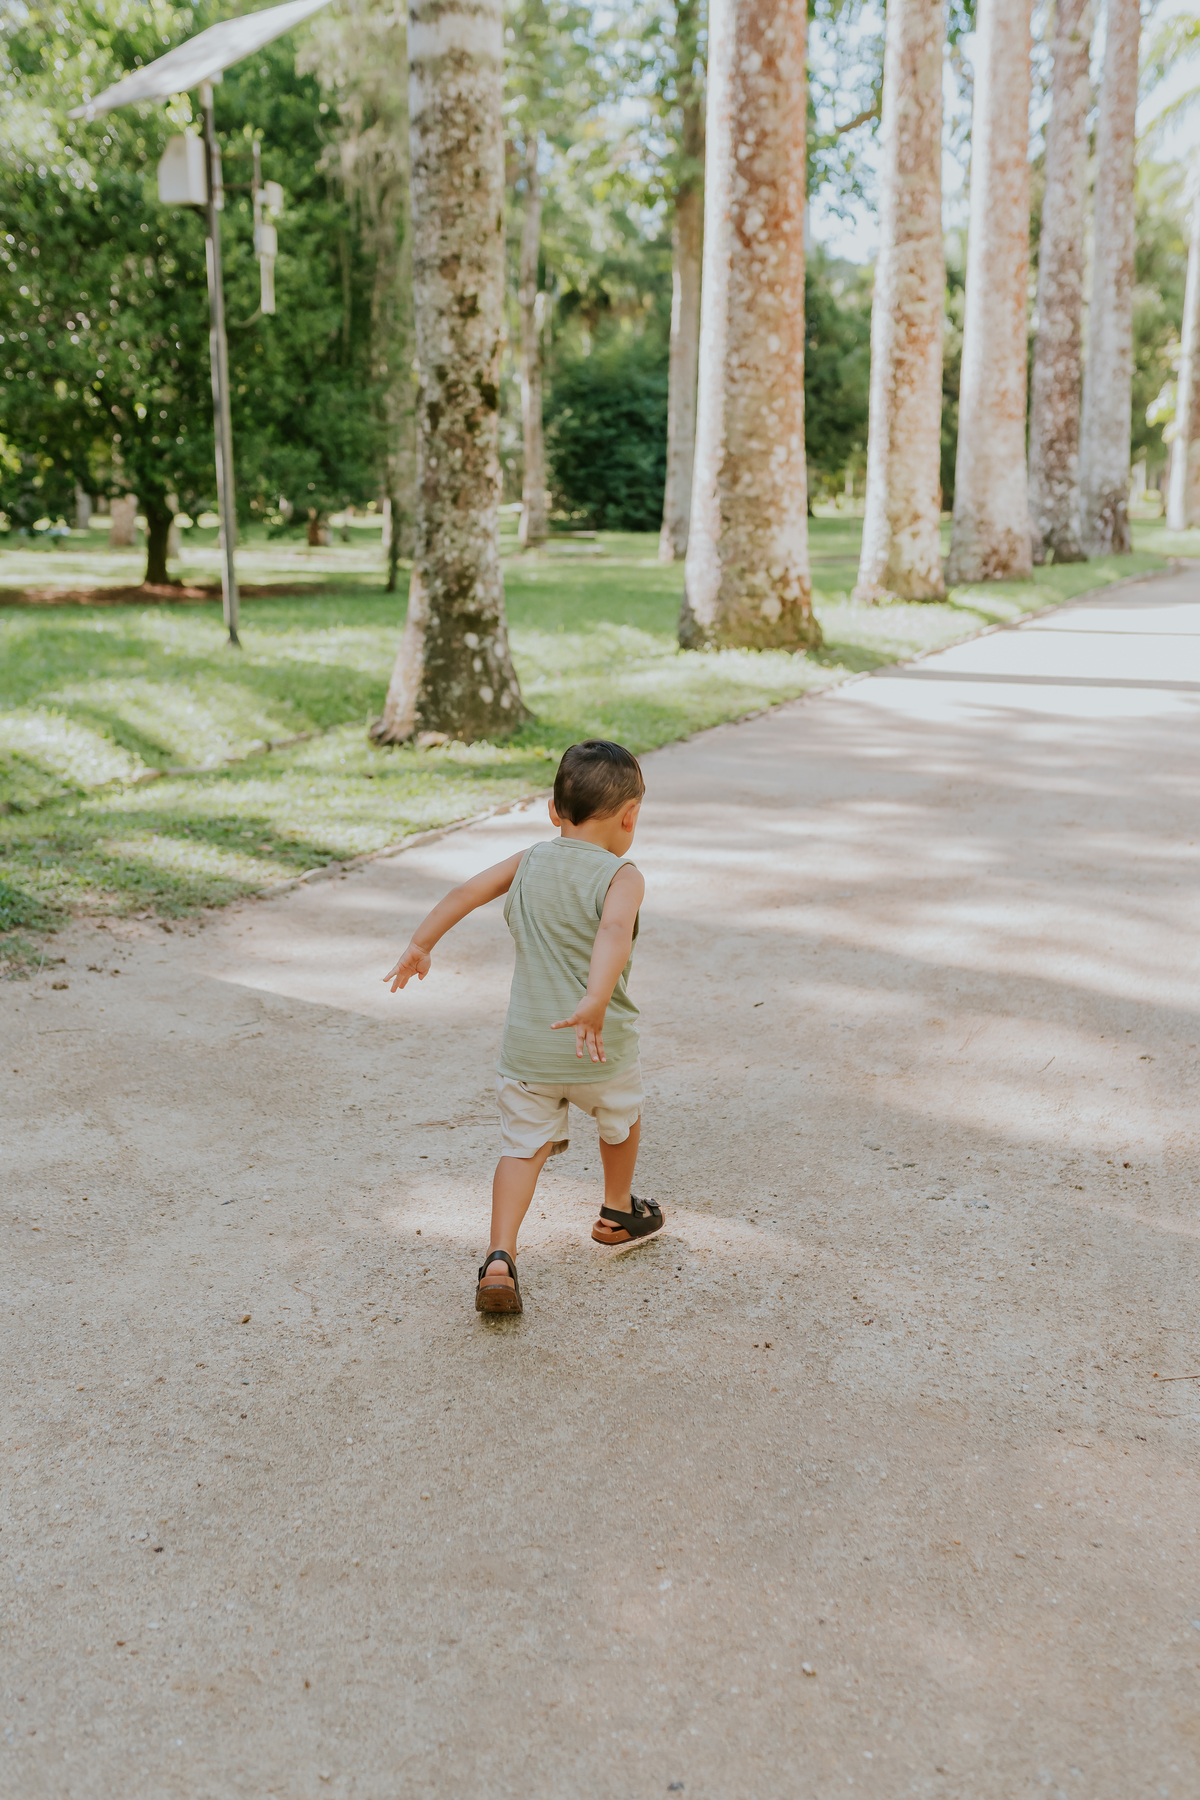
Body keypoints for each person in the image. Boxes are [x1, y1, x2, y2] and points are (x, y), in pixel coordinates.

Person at [383, 739, 663, 1315]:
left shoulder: (529, 859)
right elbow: (613, 931)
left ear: (554, 811)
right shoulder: (623, 876)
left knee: (520, 1150)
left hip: (530, 1049)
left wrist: (420, 943)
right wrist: (594, 999)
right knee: (622, 1120)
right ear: (630, 817)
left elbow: (466, 892)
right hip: (598, 1046)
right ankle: (617, 1209)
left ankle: (499, 1257)